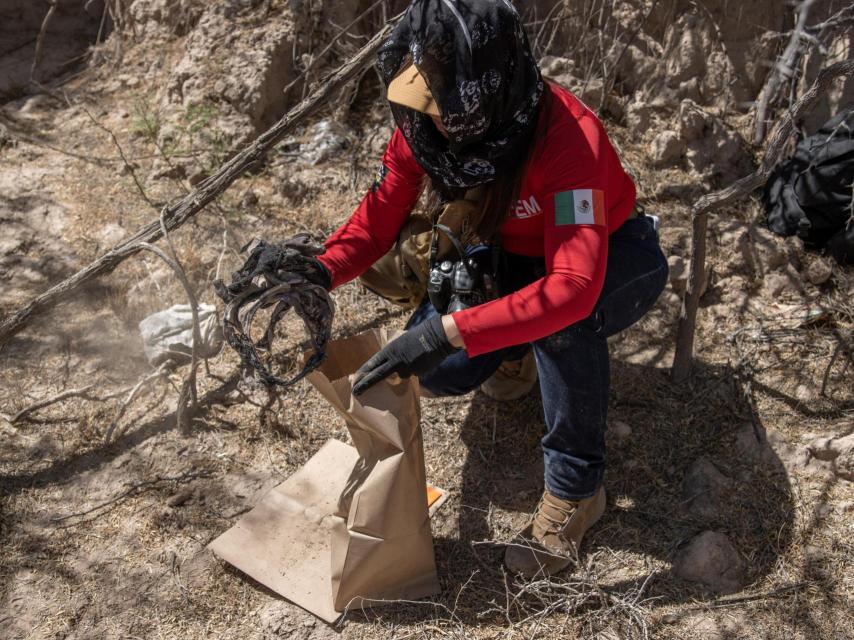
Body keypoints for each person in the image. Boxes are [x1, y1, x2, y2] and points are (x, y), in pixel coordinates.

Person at [302, 0, 668, 578]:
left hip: (614, 252)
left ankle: (577, 489)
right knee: (443, 372)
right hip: (508, 255)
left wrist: (448, 330)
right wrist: (319, 273)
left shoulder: (569, 137)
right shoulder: (423, 115)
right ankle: (517, 353)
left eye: (450, 103)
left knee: (562, 321)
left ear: (489, 88)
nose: (437, 118)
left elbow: (571, 286)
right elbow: (378, 217)